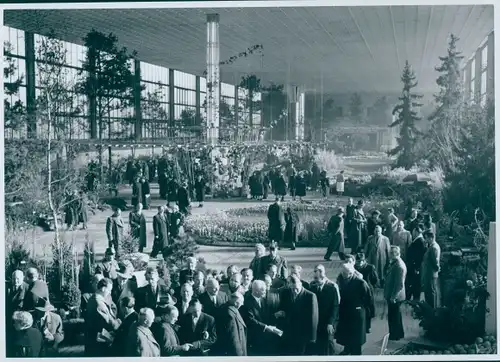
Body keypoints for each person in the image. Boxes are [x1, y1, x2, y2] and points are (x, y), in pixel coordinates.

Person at [335, 262, 373, 356]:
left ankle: (356, 354)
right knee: (346, 333)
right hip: (345, 311)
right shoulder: (341, 279)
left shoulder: (360, 283)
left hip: (356, 313)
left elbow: (368, 298)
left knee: (356, 336)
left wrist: (360, 307)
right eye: (343, 273)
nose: (343, 275)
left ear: (351, 273)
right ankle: (347, 349)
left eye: (345, 274)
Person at [278, 275, 319, 355]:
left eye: (296, 289)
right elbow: (282, 307)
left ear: (300, 284)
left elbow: (313, 318)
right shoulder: (285, 293)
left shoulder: (310, 296)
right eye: (292, 289)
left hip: (302, 334)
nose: (294, 291)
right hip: (288, 332)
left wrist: (312, 338)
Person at [241, 280, 281, 356]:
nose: (266, 291)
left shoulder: (263, 300)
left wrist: (275, 316)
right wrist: (266, 327)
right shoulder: (247, 303)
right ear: (256, 291)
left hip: (265, 338)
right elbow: (250, 320)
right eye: (263, 290)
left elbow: (266, 316)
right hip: (254, 338)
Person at [84, 278, 121, 357]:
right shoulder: (99, 303)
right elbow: (109, 322)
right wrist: (118, 323)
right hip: (99, 339)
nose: (110, 292)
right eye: (109, 290)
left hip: (95, 337)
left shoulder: (94, 298)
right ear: (103, 288)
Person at [310, 265, 339, 355]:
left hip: (327, 322)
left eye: (317, 279)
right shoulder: (312, 288)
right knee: (317, 344)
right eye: (315, 279)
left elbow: (335, 307)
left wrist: (330, 323)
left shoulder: (331, 289)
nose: (315, 282)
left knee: (327, 344)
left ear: (322, 278)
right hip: (316, 321)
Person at [384, 246, 407, 341]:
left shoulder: (399, 266)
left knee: (394, 317)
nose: (389, 255)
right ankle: (398, 334)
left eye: (391, 253)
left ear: (395, 254)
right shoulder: (396, 263)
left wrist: (393, 297)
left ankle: (395, 335)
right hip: (393, 295)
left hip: (395, 296)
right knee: (395, 315)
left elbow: (399, 284)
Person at [216, 292, 247, 356]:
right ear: (236, 303)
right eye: (241, 303)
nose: (242, 305)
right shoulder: (229, 313)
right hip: (236, 352)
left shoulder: (225, 308)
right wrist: (239, 354)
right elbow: (233, 336)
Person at [354, 253, 377, 333]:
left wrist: (370, 286)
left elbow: (375, 279)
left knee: (368, 308)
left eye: (361, 261)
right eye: (358, 261)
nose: (360, 263)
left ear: (364, 261)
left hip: (368, 290)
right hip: (357, 290)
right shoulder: (354, 268)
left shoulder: (370, 267)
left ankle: (368, 326)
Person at [405, 224, 427, 301]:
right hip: (413, 266)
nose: (412, 233)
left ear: (417, 232)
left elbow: (419, 256)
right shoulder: (418, 240)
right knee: (413, 282)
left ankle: (415, 298)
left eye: (413, 232)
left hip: (415, 267)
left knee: (415, 283)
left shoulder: (420, 241)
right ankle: (412, 297)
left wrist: (416, 267)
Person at [421, 230, 441, 308]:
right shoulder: (431, 246)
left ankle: (432, 309)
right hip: (429, 273)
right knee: (429, 291)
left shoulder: (434, 248)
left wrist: (437, 268)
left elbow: (435, 262)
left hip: (431, 273)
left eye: (426, 238)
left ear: (431, 238)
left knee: (431, 292)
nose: (425, 240)